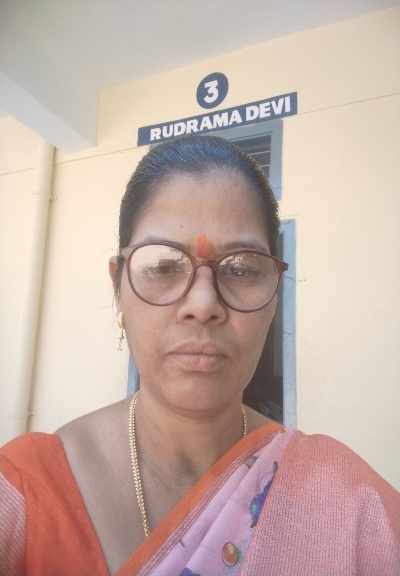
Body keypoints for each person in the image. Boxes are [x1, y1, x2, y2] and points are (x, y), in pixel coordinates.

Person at [1, 135, 399, 576]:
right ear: (118, 287)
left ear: (274, 298)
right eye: (163, 267)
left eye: (242, 269)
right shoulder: (22, 491)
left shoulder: (351, 509)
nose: (204, 304)